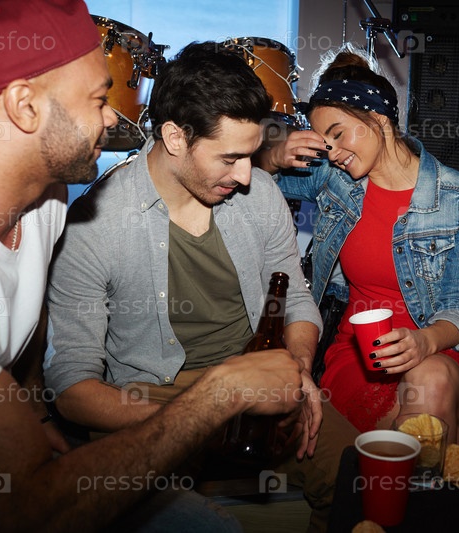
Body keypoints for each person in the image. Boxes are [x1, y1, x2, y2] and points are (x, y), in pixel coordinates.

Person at [0, 2, 303, 531]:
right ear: (24, 106)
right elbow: (26, 510)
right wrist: (219, 397)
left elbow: (29, 318)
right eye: (99, 98)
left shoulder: (46, 199)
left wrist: (32, 410)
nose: (113, 117)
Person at [43, 41, 359, 532]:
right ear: (175, 137)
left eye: (252, 155)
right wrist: (200, 416)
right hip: (151, 399)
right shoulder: (95, 225)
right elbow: (72, 389)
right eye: (230, 158)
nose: (247, 175)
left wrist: (297, 370)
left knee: (359, 479)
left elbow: (295, 298)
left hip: (254, 377)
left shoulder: (260, 195)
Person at [256, 44, 459, 450]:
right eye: (324, 142)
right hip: (358, 355)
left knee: (430, 380)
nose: (332, 152)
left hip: (438, 350)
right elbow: (245, 185)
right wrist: (274, 155)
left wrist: (424, 341)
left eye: (338, 134)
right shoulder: (333, 179)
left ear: (378, 119)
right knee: (432, 438)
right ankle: (453, 460)